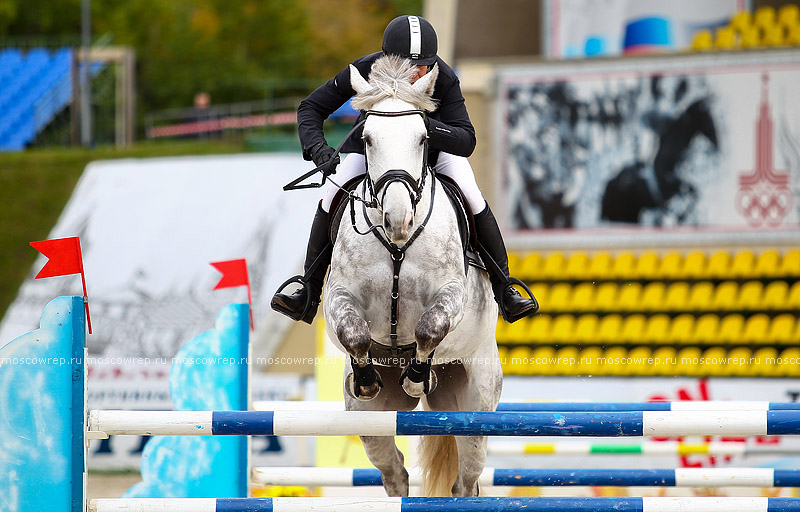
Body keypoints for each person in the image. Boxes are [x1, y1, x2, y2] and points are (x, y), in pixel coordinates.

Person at [271, 15, 537, 325]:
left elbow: (467, 139)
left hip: (429, 150)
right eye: (407, 66)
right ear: (386, 58)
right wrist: (319, 149)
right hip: (375, 152)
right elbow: (311, 107)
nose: (415, 74)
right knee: (331, 194)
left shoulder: (444, 77)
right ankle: (308, 291)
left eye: (422, 67)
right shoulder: (364, 70)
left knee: (470, 192)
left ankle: (504, 287)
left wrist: (425, 127)